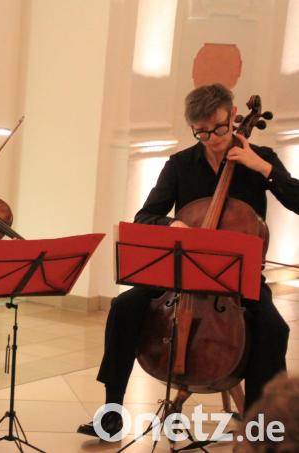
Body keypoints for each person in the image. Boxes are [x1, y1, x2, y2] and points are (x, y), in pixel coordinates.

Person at [76, 83, 299, 439]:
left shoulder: (261, 158)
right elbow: (145, 216)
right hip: (182, 275)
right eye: (201, 132)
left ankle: (259, 423)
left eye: (219, 129)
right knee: (124, 306)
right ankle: (111, 412)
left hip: (236, 279)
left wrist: (263, 169)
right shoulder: (180, 165)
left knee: (274, 328)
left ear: (234, 116)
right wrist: (171, 224)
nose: (212, 139)